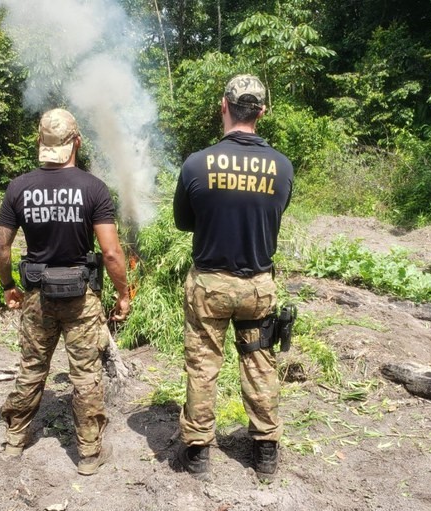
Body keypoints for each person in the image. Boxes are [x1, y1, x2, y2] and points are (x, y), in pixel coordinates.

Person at [0, 108, 130, 476]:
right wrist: (123, 293)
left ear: (41, 142)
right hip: (81, 297)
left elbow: (0, 249)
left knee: (32, 367)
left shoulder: (19, 187)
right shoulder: (93, 188)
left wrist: (8, 285)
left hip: (36, 296)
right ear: (76, 143)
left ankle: (14, 441)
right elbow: (112, 252)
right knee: (85, 374)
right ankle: (87, 454)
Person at [172, 74, 294, 482]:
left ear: (223, 106)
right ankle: (265, 451)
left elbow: (183, 222)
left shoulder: (196, 163)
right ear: (261, 111)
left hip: (210, 285)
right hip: (258, 285)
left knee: (203, 365)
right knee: (260, 362)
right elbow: (274, 215)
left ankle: (198, 452)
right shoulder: (282, 166)